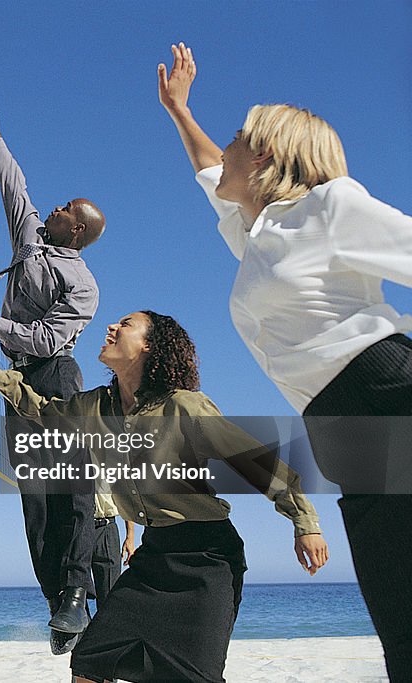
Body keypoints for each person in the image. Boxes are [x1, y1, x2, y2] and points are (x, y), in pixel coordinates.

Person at [157, 42, 412, 678]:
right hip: (341, 428)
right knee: (402, 627)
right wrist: (179, 110)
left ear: (267, 153)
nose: (229, 147)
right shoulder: (259, 235)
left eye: (239, 137)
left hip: (389, 390)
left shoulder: (331, 207)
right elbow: (211, 177)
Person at [0, 310, 329, 682]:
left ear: (149, 346)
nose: (112, 327)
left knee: (194, 676)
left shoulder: (184, 406)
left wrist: (304, 522)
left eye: (126, 324)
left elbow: (256, 463)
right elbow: (44, 411)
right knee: (89, 660)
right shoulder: (96, 407)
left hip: (208, 558)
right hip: (153, 557)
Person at [0, 90, 106, 652]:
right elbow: (14, 188)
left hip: (55, 375)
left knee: (75, 487)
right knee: (34, 500)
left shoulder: (84, 284)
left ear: (76, 230)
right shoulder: (30, 243)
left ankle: (77, 591)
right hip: (18, 382)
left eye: (66, 208)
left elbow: (48, 337)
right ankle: (58, 605)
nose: (54, 207)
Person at [91, 490, 134, 610]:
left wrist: (130, 537)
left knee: (109, 596)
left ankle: (106, 628)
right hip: (77, 527)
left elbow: (126, 493)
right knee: (75, 593)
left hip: (106, 527)